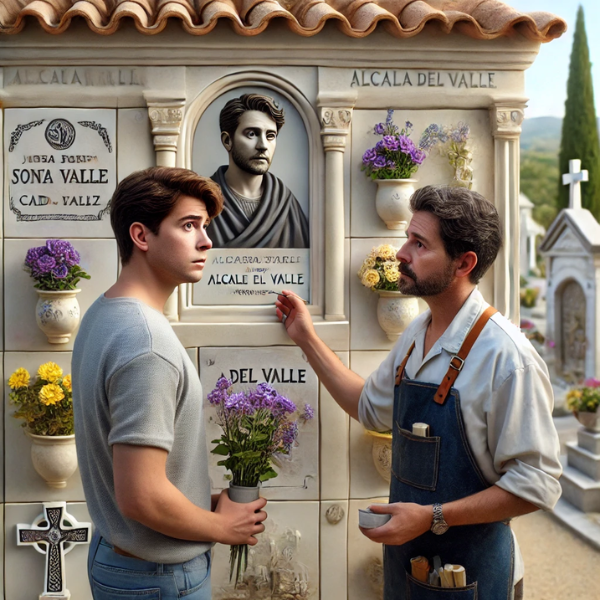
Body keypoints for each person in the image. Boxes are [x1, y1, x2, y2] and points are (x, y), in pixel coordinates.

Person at [275, 185, 562, 600]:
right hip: (411, 571)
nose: (401, 254)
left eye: (419, 244)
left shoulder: (507, 357)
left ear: (464, 262)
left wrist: (433, 517)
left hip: (474, 578)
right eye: (408, 238)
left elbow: (537, 483)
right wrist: (306, 338)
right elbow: (370, 408)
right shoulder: (417, 333)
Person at [72, 167, 268, 600]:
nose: (206, 241)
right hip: (157, 576)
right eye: (188, 225)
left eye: (205, 226)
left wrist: (199, 499)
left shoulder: (104, 313)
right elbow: (140, 495)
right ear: (141, 236)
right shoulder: (146, 342)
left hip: (122, 558)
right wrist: (222, 526)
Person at [206, 93, 310, 248]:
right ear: (227, 141)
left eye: (270, 136)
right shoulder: (203, 199)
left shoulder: (286, 204)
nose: (263, 145)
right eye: (252, 134)